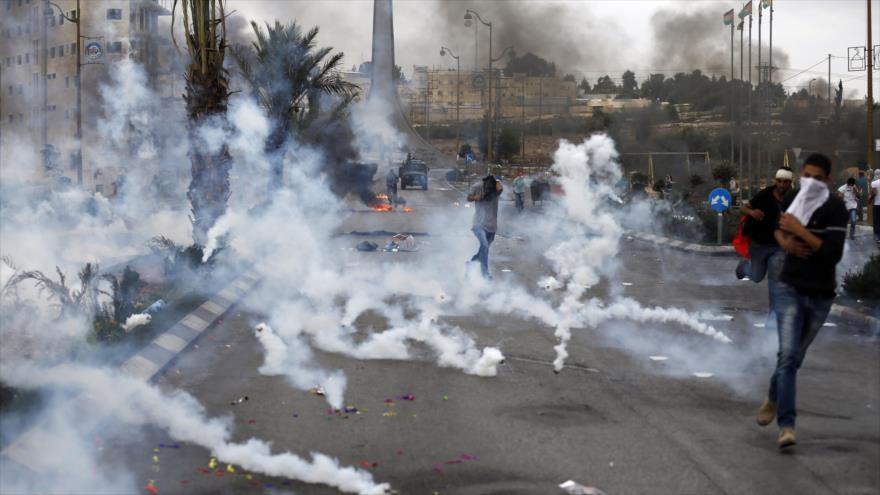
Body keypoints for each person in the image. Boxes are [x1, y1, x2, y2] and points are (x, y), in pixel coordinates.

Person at [755, 153, 848, 450]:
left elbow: (832, 253)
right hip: (790, 287)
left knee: (794, 358)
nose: (811, 182)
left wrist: (801, 232)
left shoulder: (835, 207)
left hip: (820, 293)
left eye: (817, 178)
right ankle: (787, 425)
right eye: (806, 176)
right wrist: (786, 241)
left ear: (828, 181)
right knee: (787, 355)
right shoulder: (795, 197)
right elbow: (778, 230)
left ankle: (773, 395)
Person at [736, 168, 795, 326]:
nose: (782, 184)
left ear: (790, 183)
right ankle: (744, 268)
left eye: (785, 182)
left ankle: (773, 317)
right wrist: (752, 212)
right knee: (756, 276)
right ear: (776, 181)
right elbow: (744, 208)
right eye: (779, 181)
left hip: (779, 247)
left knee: (775, 281)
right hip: (759, 245)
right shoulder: (765, 195)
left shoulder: (794, 198)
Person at [467, 175, 502, 278]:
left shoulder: (496, 189)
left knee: (483, 250)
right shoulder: (477, 187)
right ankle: (485, 274)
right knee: (485, 246)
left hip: (492, 226)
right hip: (478, 224)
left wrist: (497, 180)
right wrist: (474, 197)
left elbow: (500, 188)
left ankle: (471, 263)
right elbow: (468, 198)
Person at [871, 169, 880, 246]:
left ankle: (877, 235)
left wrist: (870, 200)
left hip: (877, 204)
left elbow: (875, 193)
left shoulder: (874, 182)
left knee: (877, 220)